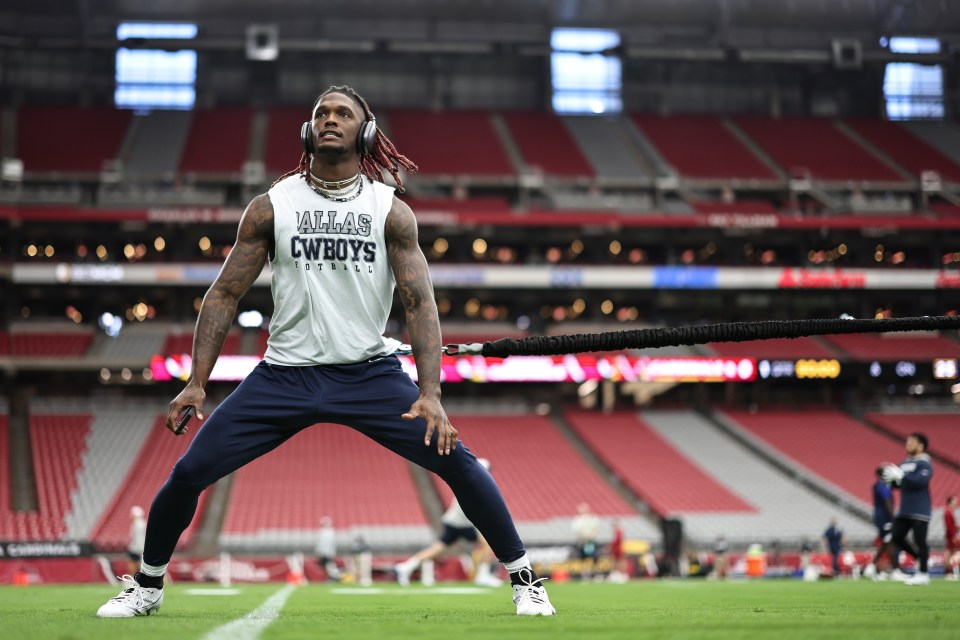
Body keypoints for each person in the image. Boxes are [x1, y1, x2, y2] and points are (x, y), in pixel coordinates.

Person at [96, 85, 554, 617]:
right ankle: (147, 586)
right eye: (321, 114)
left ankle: (525, 581)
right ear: (307, 131)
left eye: (343, 114)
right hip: (284, 376)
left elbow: (420, 304)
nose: (329, 120)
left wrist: (430, 393)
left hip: (370, 375)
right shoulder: (272, 206)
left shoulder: (391, 212)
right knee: (188, 473)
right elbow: (223, 293)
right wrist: (197, 380)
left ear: (365, 131)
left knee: (462, 465)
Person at [395, 457, 503, 588]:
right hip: (464, 523)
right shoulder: (477, 486)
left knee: (438, 548)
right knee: (489, 544)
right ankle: (483, 575)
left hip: (454, 521)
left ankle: (406, 566)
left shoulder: (468, 481)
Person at [882, 432, 933, 586]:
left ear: (921, 446)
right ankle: (920, 559)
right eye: (907, 442)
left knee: (920, 540)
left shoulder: (924, 463)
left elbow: (920, 481)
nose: (907, 445)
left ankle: (923, 574)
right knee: (896, 537)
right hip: (905, 509)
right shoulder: (904, 463)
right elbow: (901, 484)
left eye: (911, 442)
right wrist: (891, 481)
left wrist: (902, 476)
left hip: (920, 509)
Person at [864, 466, 896, 580]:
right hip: (885, 518)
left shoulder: (880, 485)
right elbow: (887, 501)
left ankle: (871, 567)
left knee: (886, 541)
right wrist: (893, 517)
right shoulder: (881, 485)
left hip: (881, 517)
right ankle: (895, 569)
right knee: (890, 541)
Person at [571, 502, 600, 579]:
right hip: (582, 542)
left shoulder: (592, 519)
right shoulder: (577, 520)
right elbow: (577, 532)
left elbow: (595, 530)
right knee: (583, 559)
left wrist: (589, 537)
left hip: (591, 542)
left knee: (594, 558)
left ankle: (593, 573)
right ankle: (585, 574)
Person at [315, 516, 342, 582]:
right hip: (324, 552)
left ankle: (333, 577)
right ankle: (330, 577)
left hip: (328, 553)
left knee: (329, 565)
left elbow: (332, 543)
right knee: (326, 566)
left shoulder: (330, 532)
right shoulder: (322, 532)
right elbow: (320, 543)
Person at [126, 506, 147, 577]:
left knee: (138, 566)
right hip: (136, 548)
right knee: (135, 564)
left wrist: (140, 549)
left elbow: (139, 538)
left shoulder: (139, 524)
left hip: (138, 548)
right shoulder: (137, 523)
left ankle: (135, 579)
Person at [945, 495, 959, 580]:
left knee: (950, 554)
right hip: (951, 536)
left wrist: (957, 526)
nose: (956, 502)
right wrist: (953, 536)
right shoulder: (948, 512)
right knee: (950, 554)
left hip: (951, 535)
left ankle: (948, 572)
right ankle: (949, 571)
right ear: (950, 502)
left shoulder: (949, 512)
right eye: (954, 501)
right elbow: (949, 526)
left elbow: (952, 526)